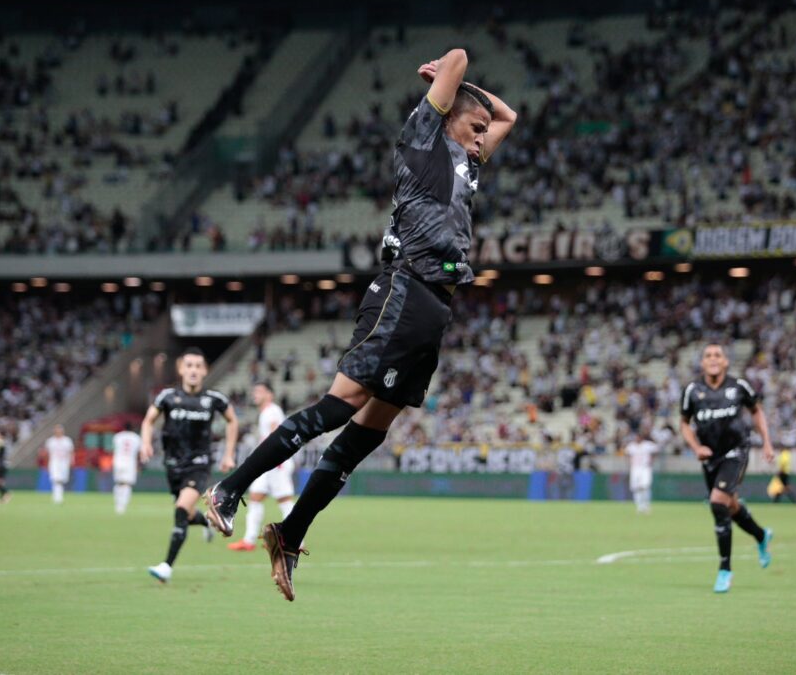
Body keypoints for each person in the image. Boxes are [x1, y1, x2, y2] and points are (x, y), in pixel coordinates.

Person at [205, 46, 517, 601]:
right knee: (341, 404)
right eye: (473, 125)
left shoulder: (468, 162)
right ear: (444, 115)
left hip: (434, 308)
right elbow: (462, 57)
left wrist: (477, 107)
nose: (481, 135)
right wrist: (440, 76)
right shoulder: (425, 140)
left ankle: (289, 532)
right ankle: (230, 488)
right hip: (404, 288)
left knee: (366, 434)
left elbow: (510, 117)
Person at [680, 343, 774, 594]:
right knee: (729, 505)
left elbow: (757, 412)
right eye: (708, 355)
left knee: (717, 502)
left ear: (725, 362)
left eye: (717, 355)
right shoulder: (692, 390)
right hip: (710, 457)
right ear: (702, 363)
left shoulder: (738, 387)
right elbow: (684, 424)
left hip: (736, 451)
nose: (712, 359)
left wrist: (766, 442)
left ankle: (725, 570)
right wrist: (695, 447)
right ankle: (761, 535)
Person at [142, 347, 238, 583]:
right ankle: (207, 520)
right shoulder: (167, 397)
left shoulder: (214, 399)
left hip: (199, 464)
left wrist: (228, 454)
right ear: (181, 369)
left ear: (205, 370)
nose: (193, 370)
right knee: (186, 512)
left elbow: (232, 420)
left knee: (181, 509)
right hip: (173, 465)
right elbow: (148, 420)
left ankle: (167, 566)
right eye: (189, 365)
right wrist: (145, 442)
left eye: (198, 366)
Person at [229, 382, 292, 552]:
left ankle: (296, 540)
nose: (255, 394)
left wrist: (276, 458)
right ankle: (249, 540)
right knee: (255, 497)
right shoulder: (265, 412)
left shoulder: (272, 411)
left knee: (284, 500)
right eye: (254, 390)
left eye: (259, 391)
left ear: (269, 395)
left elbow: (276, 434)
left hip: (276, 462)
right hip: (267, 462)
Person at [624, 431, 658, 513]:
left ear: (642, 438)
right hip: (635, 468)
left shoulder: (647, 445)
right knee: (636, 488)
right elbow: (626, 454)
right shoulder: (631, 446)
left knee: (645, 486)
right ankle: (639, 506)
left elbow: (656, 450)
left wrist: (652, 460)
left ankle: (646, 505)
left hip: (645, 468)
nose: (637, 439)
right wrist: (629, 462)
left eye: (638, 437)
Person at [112, 422, 142, 515]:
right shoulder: (136, 438)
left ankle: (117, 503)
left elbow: (114, 448)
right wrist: (139, 465)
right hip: (130, 463)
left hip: (118, 461)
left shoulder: (117, 436)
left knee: (118, 483)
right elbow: (139, 453)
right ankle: (122, 505)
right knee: (127, 484)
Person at [44, 425, 75, 504]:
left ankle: (58, 496)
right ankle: (57, 497)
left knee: (61, 480)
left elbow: (71, 452)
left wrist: (72, 461)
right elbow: (47, 453)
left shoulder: (67, 441)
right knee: (55, 479)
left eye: (59, 430)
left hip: (64, 462)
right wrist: (47, 463)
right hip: (54, 462)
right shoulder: (50, 441)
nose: (58, 431)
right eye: (56, 430)